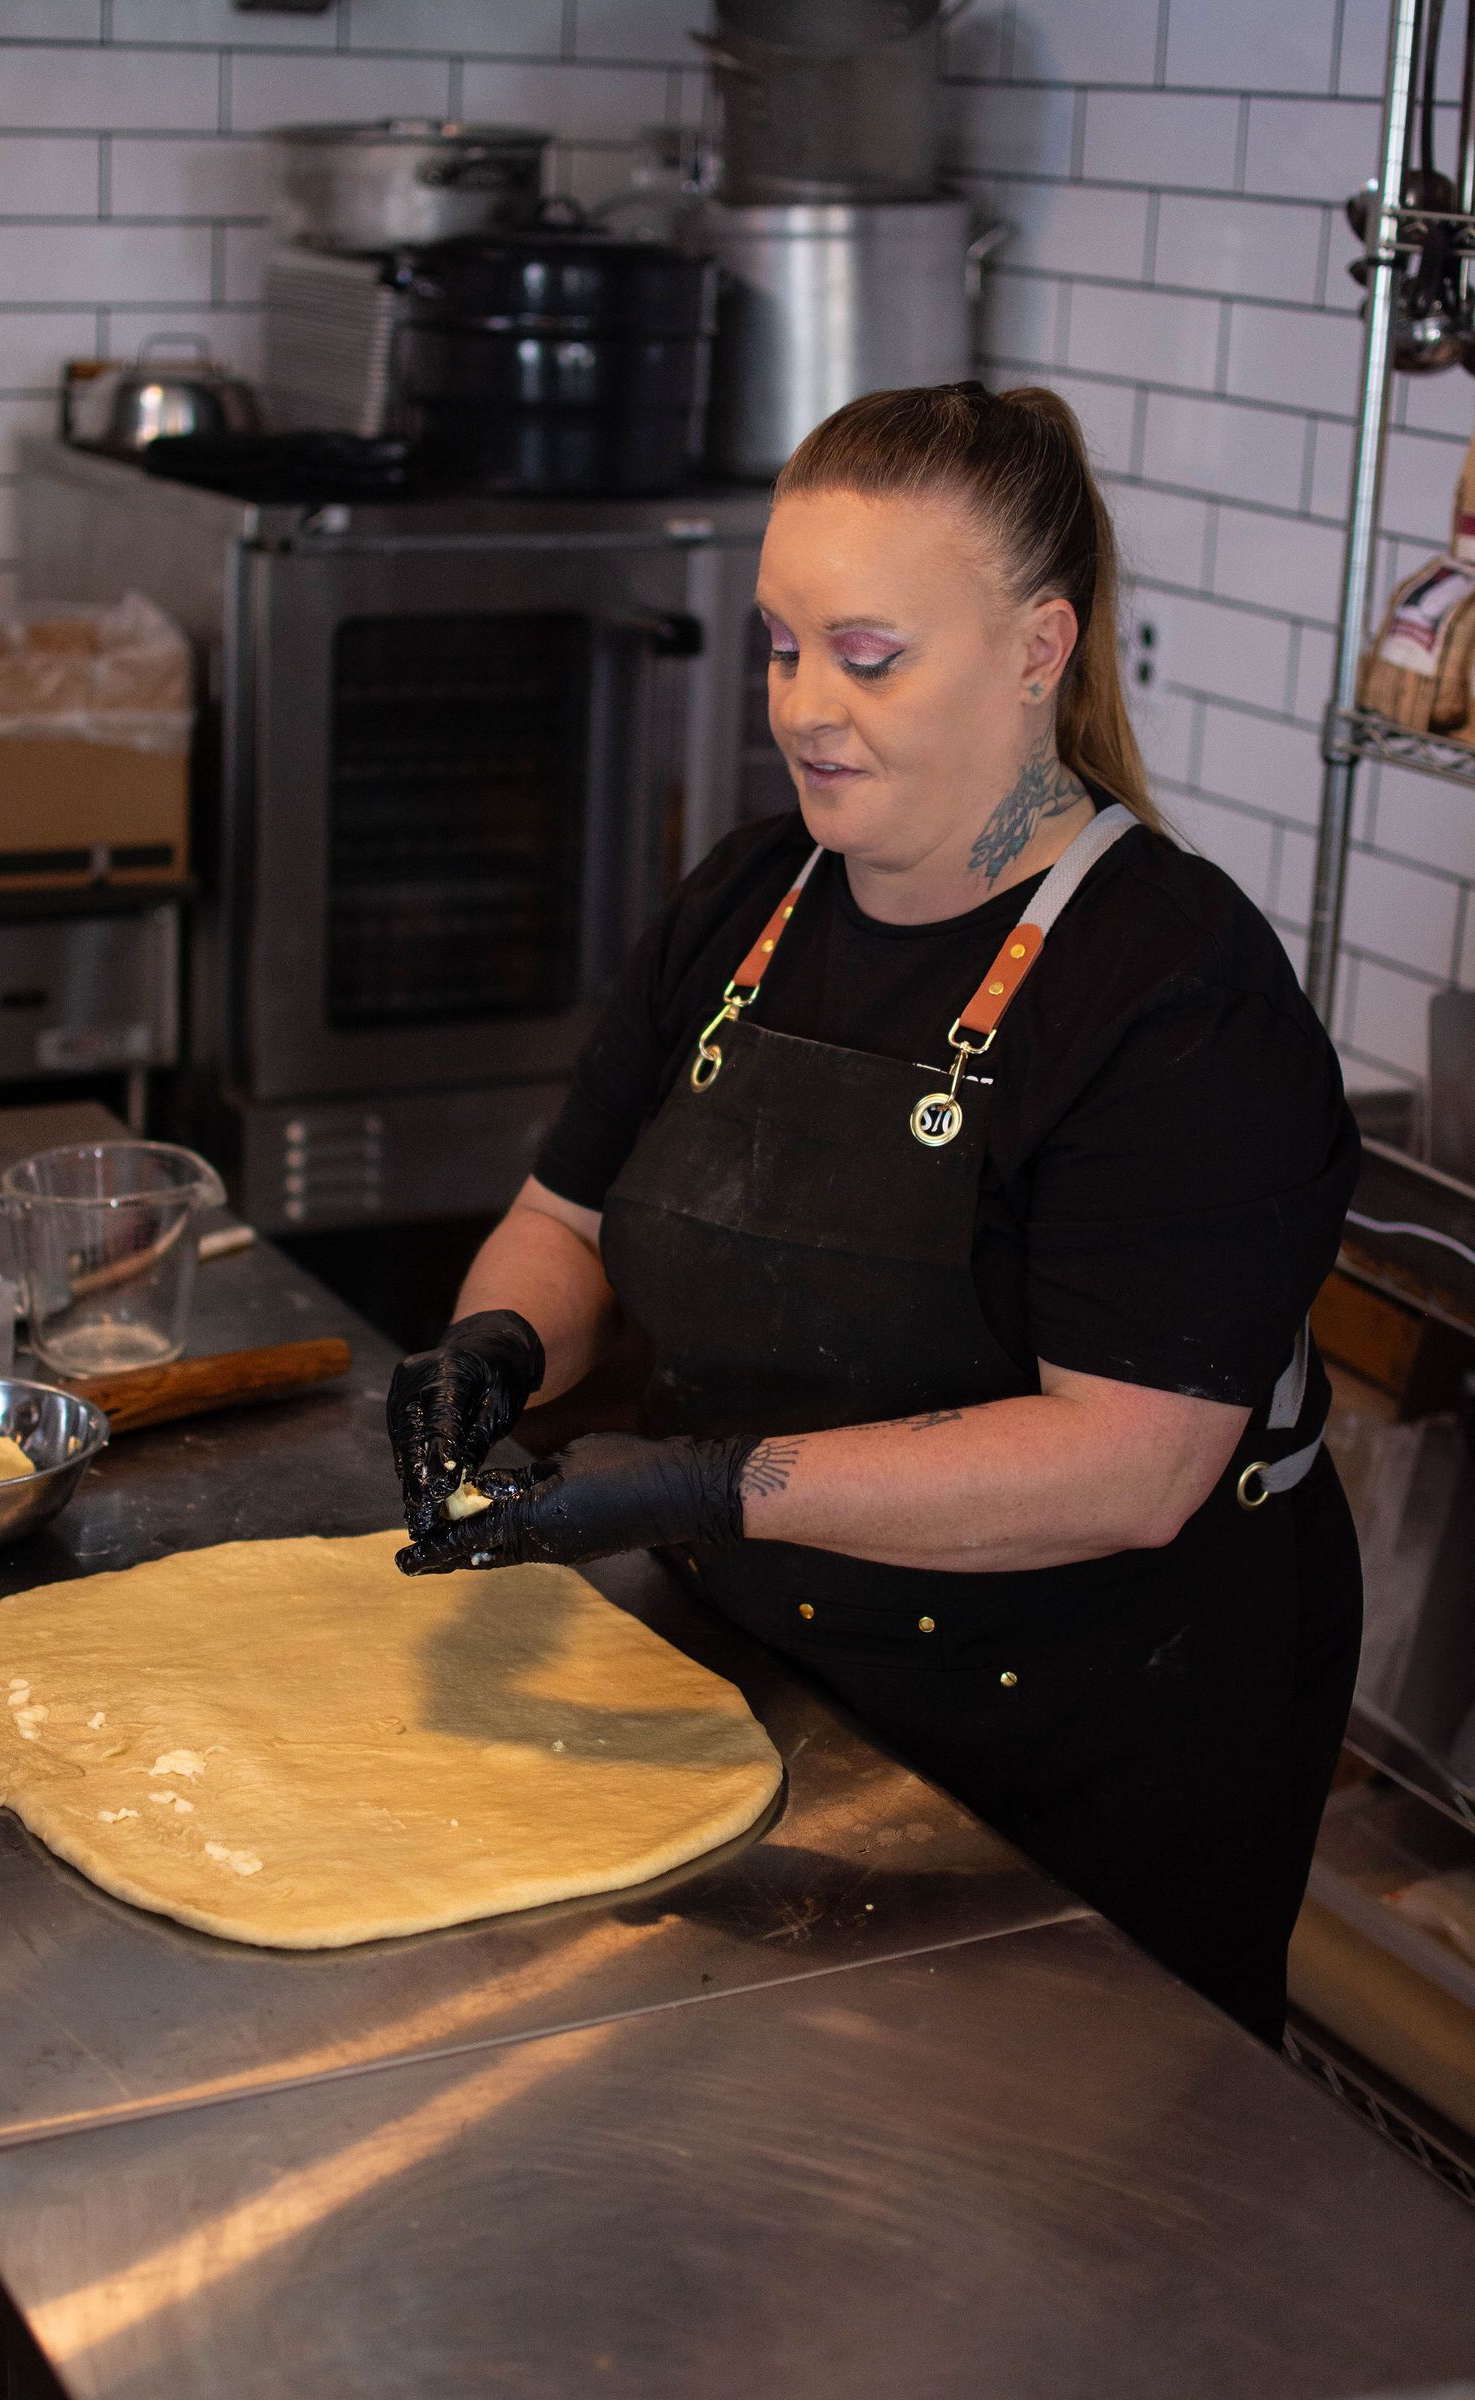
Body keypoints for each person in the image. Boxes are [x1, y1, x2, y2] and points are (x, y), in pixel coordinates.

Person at [388, 381, 1362, 2047]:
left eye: (869, 654)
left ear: (1041, 647)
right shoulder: (745, 902)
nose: (803, 706)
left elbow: (1130, 1467)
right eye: (780, 647)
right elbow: (566, 1215)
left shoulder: (1175, 995)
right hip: (772, 1680)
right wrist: (501, 1341)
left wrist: (702, 1482)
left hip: (1087, 1736)